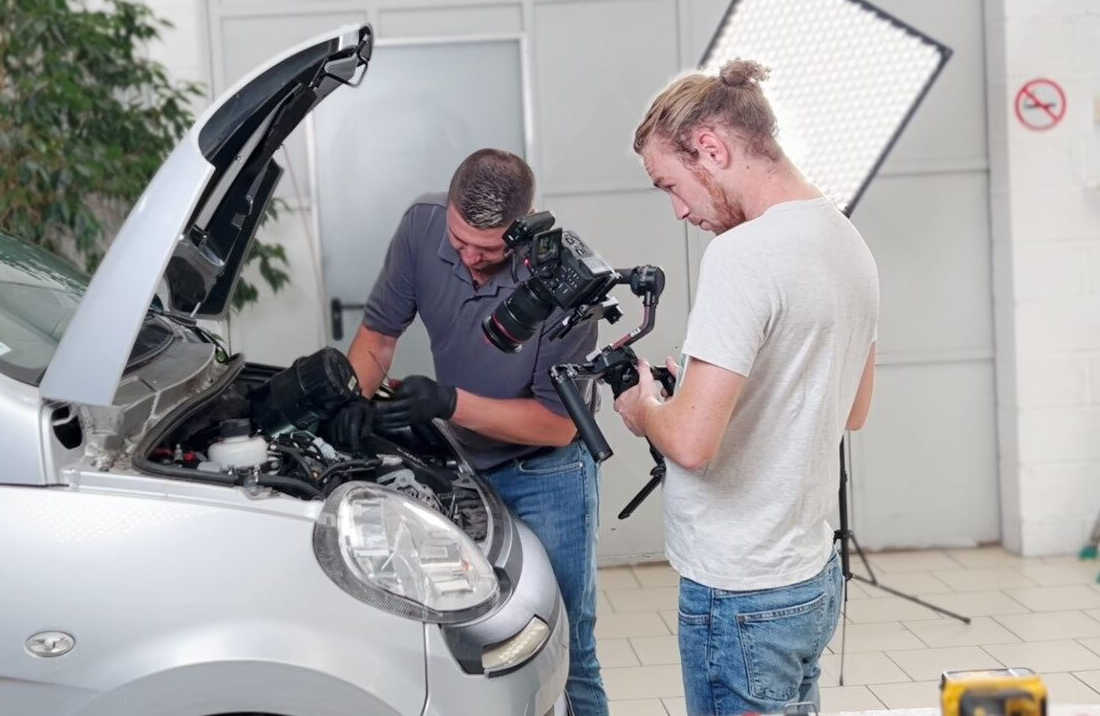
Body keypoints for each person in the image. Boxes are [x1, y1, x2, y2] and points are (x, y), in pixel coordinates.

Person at [614, 59, 879, 715]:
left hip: (740, 591)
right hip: (808, 576)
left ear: (711, 148)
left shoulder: (740, 255)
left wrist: (646, 406)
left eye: (671, 185)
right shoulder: (846, 239)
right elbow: (854, 409)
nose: (679, 210)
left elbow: (694, 444)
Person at [346, 148, 607, 716]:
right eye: (458, 240)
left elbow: (559, 425)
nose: (465, 258)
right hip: (463, 464)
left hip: (548, 474)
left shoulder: (565, 281)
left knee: (567, 647)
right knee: (471, 641)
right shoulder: (422, 224)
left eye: (486, 249)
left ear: (525, 228)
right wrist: (349, 412)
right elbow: (377, 338)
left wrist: (446, 401)